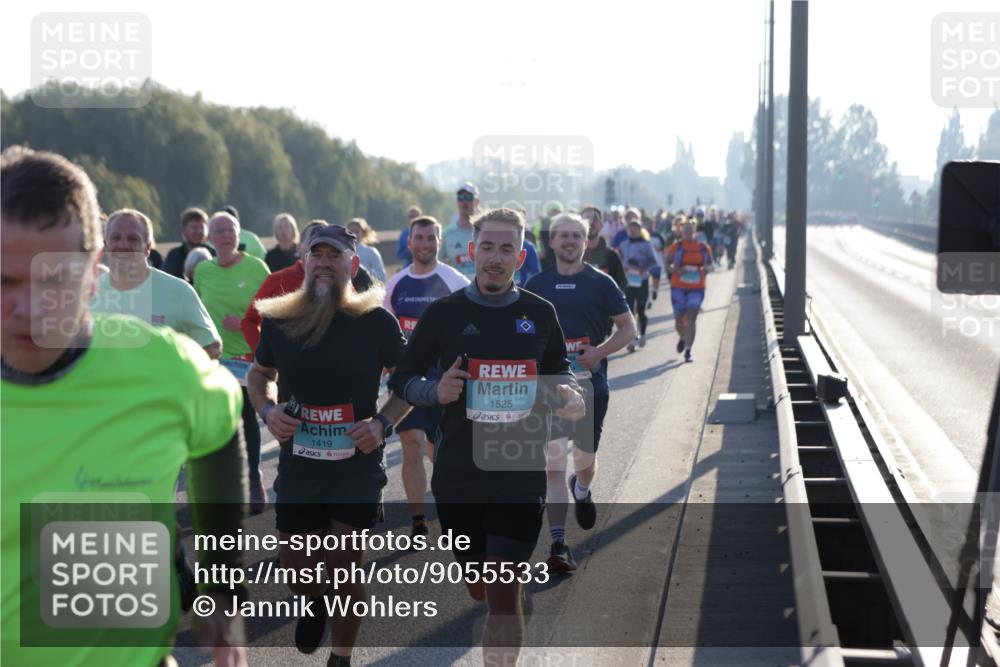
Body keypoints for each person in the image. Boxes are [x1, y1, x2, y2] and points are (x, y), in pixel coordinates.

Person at [1, 146, 248, 667]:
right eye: (4, 281)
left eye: (55, 279)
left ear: (96, 271)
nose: (26, 307)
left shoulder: (163, 368)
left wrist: (222, 585)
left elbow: (222, 424)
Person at [390, 207, 586, 666]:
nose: (496, 257)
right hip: (458, 472)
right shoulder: (444, 314)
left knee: (499, 588)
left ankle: (509, 604)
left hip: (517, 469)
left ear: (521, 257)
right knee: (481, 586)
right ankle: (511, 595)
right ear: (472, 250)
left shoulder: (539, 314)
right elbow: (402, 376)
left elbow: (560, 370)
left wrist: (571, 394)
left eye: (507, 249)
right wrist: (432, 391)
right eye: (488, 247)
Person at [247, 224, 411, 666]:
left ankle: (341, 656)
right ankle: (313, 599)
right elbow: (258, 375)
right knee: (296, 570)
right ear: (303, 262)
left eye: (334, 256)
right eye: (315, 255)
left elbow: (409, 383)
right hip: (299, 467)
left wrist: (382, 424)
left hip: (356, 468)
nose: (324, 263)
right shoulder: (280, 320)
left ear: (352, 265)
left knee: (344, 566)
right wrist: (268, 411)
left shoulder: (376, 321)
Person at [525, 213, 635, 573]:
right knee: (553, 463)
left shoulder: (601, 283)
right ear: (552, 242)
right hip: (551, 388)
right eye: (563, 236)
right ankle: (558, 544)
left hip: (590, 387)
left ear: (587, 241)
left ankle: (583, 489)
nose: (570, 241)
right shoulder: (536, 285)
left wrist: (598, 353)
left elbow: (628, 329)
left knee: (584, 463)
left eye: (577, 235)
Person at [383, 215, 469, 536]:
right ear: (410, 242)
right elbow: (386, 333)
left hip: (447, 383)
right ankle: (418, 520)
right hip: (410, 381)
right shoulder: (396, 285)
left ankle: (450, 504)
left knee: (440, 451)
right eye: (419, 238)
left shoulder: (455, 281)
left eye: (431, 238)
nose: (424, 244)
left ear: (439, 241)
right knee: (411, 443)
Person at [194, 211, 271, 512]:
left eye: (230, 230)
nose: (225, 236)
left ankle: (253, 479)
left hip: (247, 358)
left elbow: (273, 311)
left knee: (246, 419)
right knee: (219, 422)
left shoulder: (256, 268)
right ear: (209, 238)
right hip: (215, 360)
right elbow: (197, 311)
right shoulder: (202, 271)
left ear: (239, 236)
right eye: (219, 231)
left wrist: (241, 323)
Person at [93, 208, 221, 359]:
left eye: (133, 239)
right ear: (106, 245)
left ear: (147, 248)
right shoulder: (88, 293)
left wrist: (173, 375)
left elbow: (211, 347)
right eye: (116, 238)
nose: (123, 245)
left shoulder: (178, 291)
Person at [241, 220, 375, 356]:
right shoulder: (276, 280)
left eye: (333, 254)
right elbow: (249, 320)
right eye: (316, 250)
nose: (323, 261)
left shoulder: (341, 283)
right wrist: (266, 354)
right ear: (300, 248)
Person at [666, 219, 714, 362]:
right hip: (678, 287)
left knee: (691, 319)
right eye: (685, 230)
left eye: (690, 230)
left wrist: (705, 269)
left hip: (697, 287)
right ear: (681, 231)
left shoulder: (704, 248)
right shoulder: (676, 247)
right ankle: (682, 337)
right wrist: (677, 271)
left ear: (695, 231)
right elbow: (667, 264)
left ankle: (688, 350)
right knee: (679, 319)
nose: (687, 232)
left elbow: (711, 265)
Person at [617, 210, 659, 351]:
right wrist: (624, 268)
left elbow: (654, 261)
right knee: (630, 310)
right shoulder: (623, 244)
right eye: (630, 229)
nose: (632, 231)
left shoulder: (646, 244)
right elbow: (620, 260)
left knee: (641, 310)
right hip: (629, 280)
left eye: (635, 229)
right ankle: (633, 339)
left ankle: (643, 334)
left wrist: (643, 268)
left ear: (640, 230)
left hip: (642, 280)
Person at [581, 205, 627, 292]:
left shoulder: (612, 256)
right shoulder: (573, 256)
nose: (590, 223)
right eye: (586, 219)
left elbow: (621, 285)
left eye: (594, 219)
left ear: (601, 225)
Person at [163, 207, 215, 279]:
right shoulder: (175, 256)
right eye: (194, 227)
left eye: (202, 227)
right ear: (183, 230)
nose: (199, 231)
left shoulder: (214, 253)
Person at [440, 182, 478, 279]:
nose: (464, 202)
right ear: (456, 201)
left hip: (481, 290)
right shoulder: (446, 234)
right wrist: (443, 265)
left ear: (477, 201)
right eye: (460, 197)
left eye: (469, 197)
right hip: (456, 289)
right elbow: (436, 263)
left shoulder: (484, 232)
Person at [346, 218, 387, 283]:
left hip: (365, 290)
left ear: (363, 233)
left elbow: (382, 276)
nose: (353, 234)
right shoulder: (342, 252)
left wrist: (365, 275)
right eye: (350, 231)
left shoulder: (371, 251)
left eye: (356, 231)